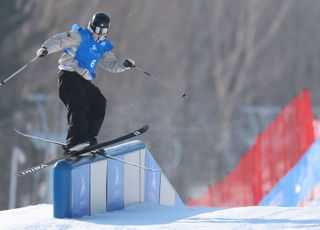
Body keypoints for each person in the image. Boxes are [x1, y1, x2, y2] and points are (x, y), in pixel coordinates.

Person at [36, 12, 136, 153]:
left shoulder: (103, 45)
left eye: (104, 31)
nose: (100, 34)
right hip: (68, 77)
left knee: (99, 102)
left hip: (83, 80)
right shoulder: (80, 36)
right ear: (92, 26)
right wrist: (46, 49)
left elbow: (110, 64)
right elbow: (59, 40)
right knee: (79, 105)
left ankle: (87, 139)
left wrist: (124, 65)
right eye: (98, 30)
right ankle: (74, 142)